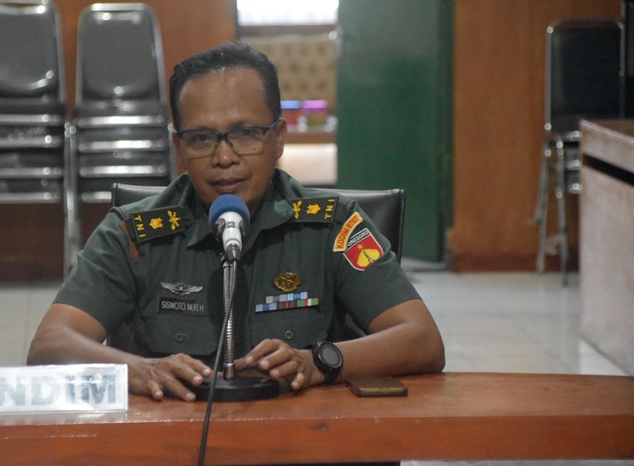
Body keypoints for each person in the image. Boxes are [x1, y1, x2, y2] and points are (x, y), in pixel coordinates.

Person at [27, 42, 445, 402]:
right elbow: (49, 344)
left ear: (278, 138)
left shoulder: (333, 225)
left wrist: (317, 362)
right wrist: (139, 370)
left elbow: (423, 339)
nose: (224, 157)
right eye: (202, 138)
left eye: (246, 133)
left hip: (302, 440)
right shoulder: (133, 232)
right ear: (179, 148)